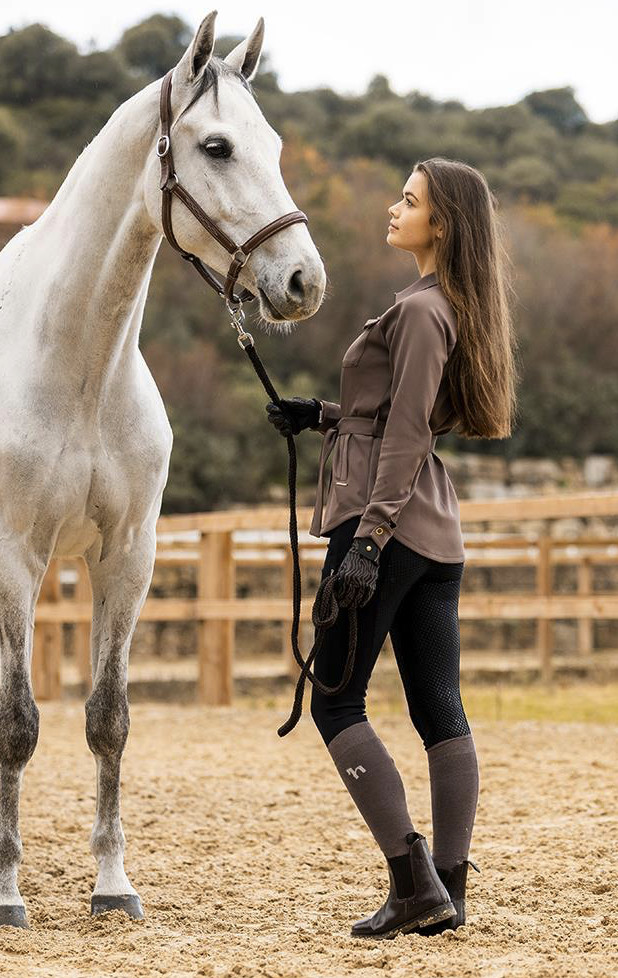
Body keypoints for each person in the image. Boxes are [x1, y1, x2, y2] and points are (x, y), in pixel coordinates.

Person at [267, 157, 517, 940]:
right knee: (438, 704)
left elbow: (405, 430)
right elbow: (396, 416)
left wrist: (367, 541)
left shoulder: (416, 311)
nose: (393, 207)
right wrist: (324, 415)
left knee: (336, 701)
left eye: (408, 201)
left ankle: (411, 883)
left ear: (440, 225)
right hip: (435, 531)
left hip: (384, 521)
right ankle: (448, 885)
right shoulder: (452, 306)